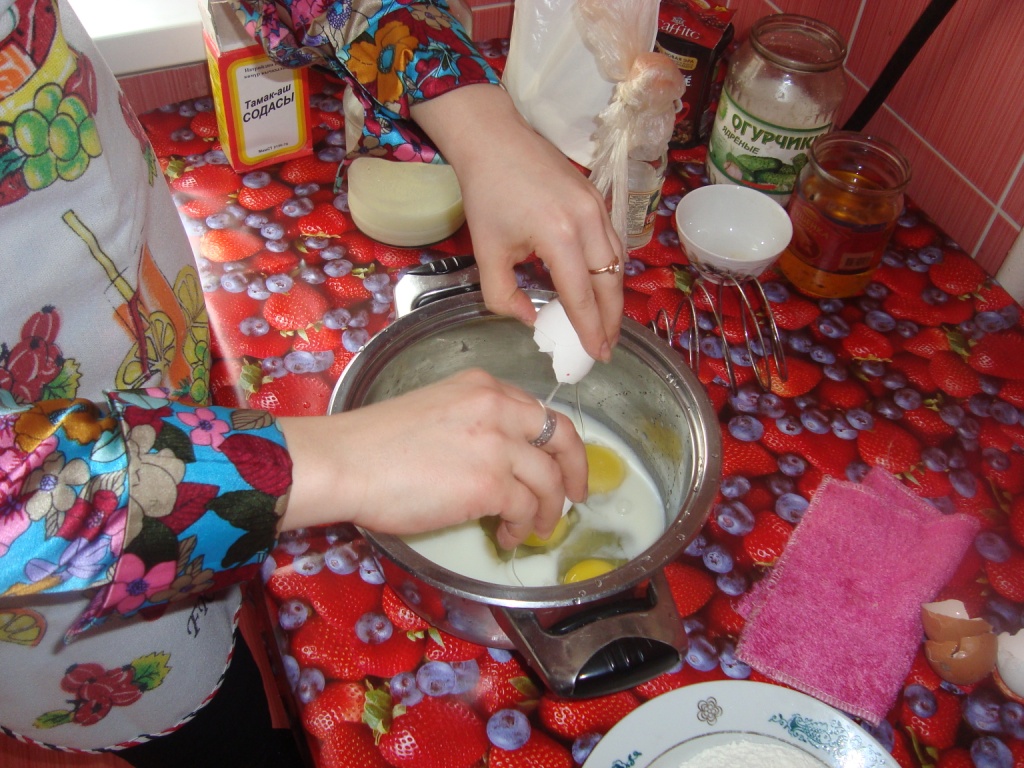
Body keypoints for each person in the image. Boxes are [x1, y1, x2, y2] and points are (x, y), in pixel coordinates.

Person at [0, 0, 621, 763]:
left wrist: (475, 117)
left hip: (158, 375)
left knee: (217, 656)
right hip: (50, 611)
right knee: (185, 723)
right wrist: (334, 461)